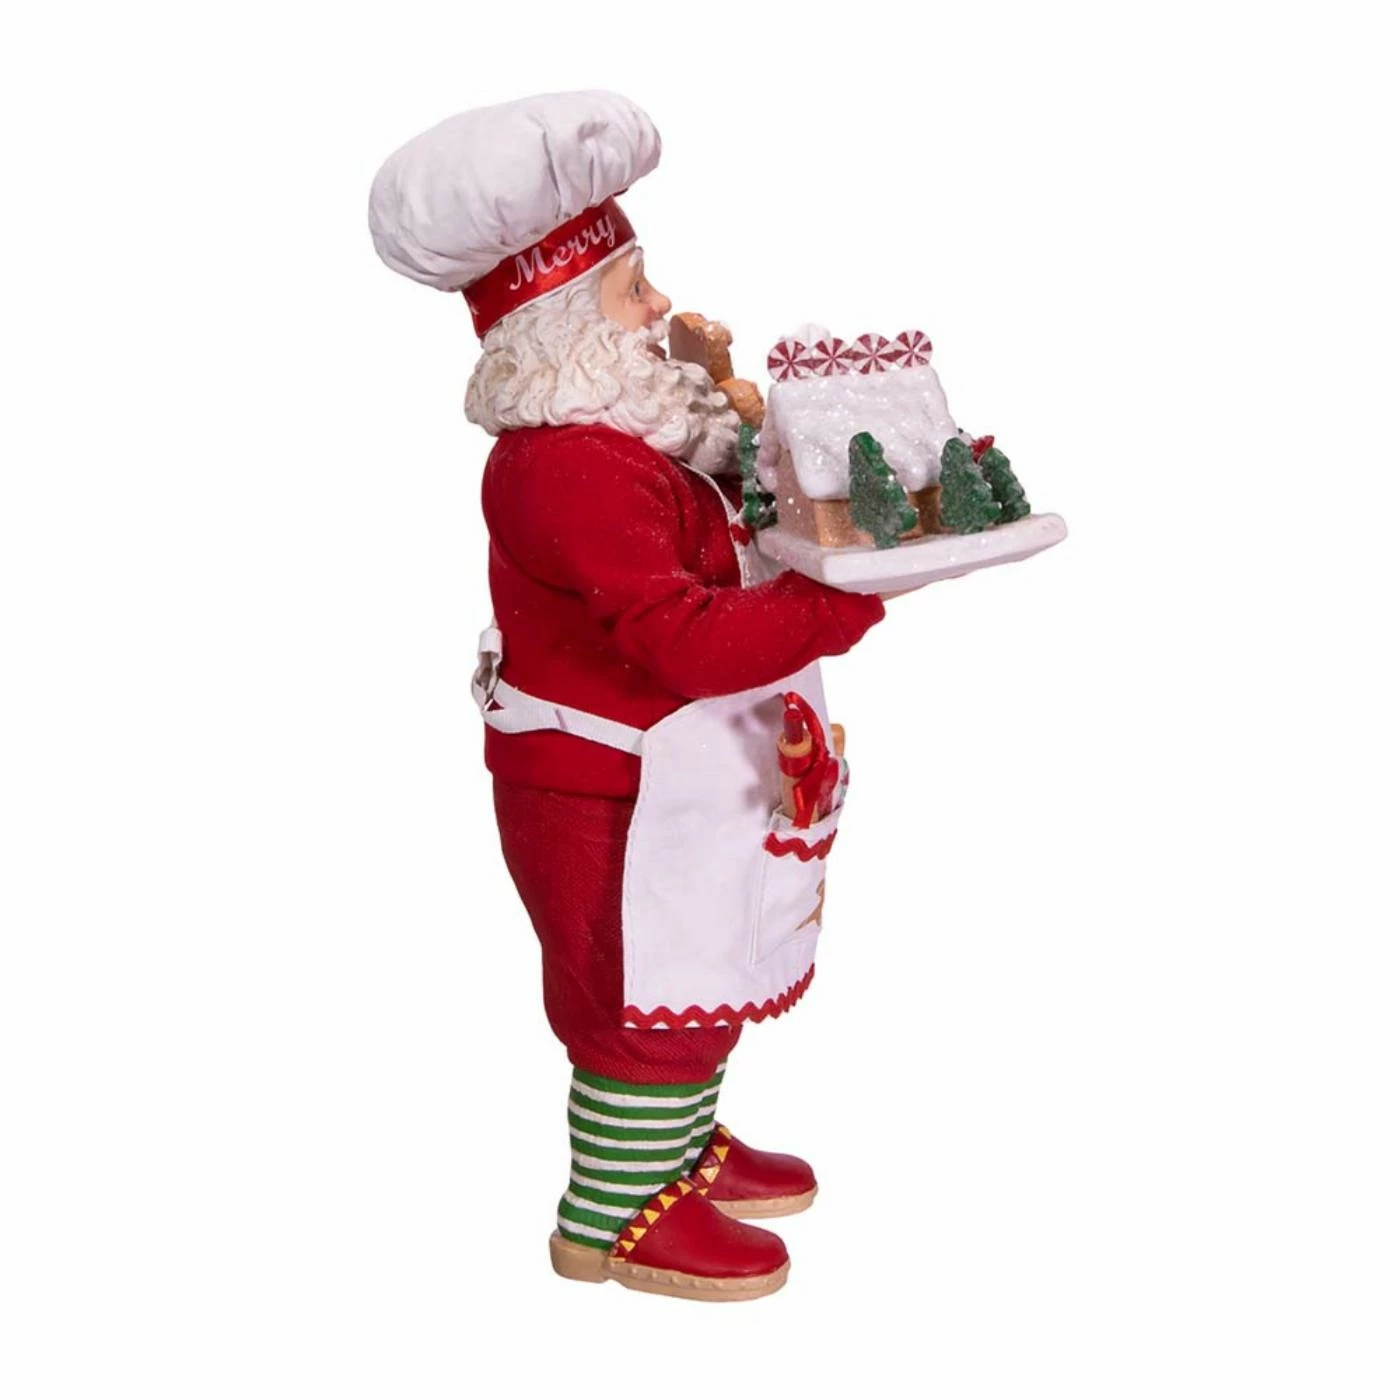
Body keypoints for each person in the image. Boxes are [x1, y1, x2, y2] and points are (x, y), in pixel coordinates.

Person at [370, 90, 885, 1301]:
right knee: (632, 990)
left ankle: (673, 1150)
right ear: (564, 331)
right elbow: (680, 640)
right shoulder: (569, 469)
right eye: (629, 292)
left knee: (693, 969)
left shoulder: (630, 439)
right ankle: (613, 1211)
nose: (656, 309)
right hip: (607, 788)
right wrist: (847, 595)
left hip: (673, 776)